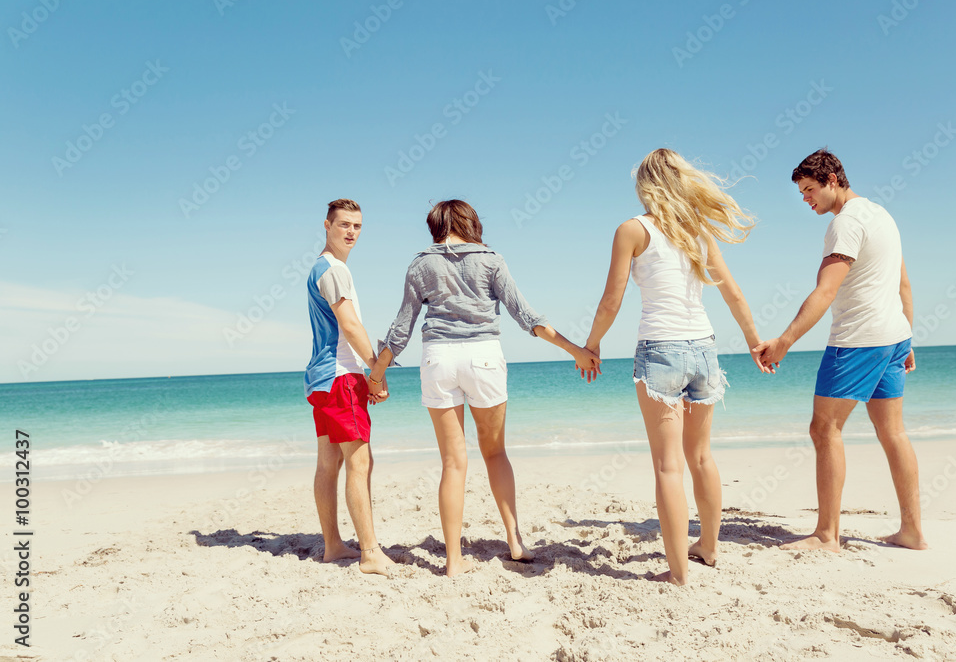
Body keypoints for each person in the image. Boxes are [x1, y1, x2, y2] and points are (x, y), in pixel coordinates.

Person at [367, 199, 600, 577]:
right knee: (494, 453)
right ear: (471, 223)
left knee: (452, 463)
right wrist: (576, 350)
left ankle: (454, 561)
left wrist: (375, 376)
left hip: (438, 359)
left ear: (436, 226)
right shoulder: (492, 260)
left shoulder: (420, 264)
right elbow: (528, 317)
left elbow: (401, 330)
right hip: (484, 357)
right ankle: (515, 542)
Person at [582, 148, 771, 586]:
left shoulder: (632, 230)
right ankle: (708, 546)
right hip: (705, 349)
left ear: (645, 185)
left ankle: (679, 573)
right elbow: (733, 292)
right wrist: (754, 342)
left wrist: (592, 344)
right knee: (701, 456)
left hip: (661, 350)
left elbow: (612, 299)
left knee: (668, 465)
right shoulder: (699, 232)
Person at [753, 148, 928, 552]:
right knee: (893, 432)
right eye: (801, 192)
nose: (806, 199)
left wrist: (784, 341)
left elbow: (826, 290)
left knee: (824, 428)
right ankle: (913, 531)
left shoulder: (844, 224)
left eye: (810, 189)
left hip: (859, 340)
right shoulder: (882, 215)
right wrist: (907, 336)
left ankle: (827, 535)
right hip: (893, 336)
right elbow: (904, 284)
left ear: (833, 180)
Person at [304, 198, 394, 577]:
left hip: (320, 378)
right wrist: (376, 369)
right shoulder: (334, 270)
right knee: (360, 462)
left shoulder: (320, 269)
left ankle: (332, 546)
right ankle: (370, 552)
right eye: (343, 225)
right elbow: (351, 326)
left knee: (329, 463)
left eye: (357, 226)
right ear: (327, 225)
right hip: (341, 376)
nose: (351, 232)